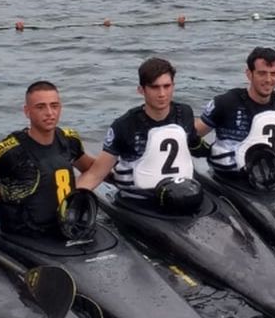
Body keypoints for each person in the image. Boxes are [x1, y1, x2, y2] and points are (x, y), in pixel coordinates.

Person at [0, 80, 98, 240]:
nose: (50, 113)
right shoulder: (8, 151)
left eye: (54, 106)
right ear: (27, 111)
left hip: (65, 228)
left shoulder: (69, 140)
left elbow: (93, 170)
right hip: (24, 235)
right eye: (41, 107)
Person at [75, 57, 208, 209]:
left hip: (180, 197)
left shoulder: (185, 113)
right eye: (155, 87)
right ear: (141, 90)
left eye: (167, 86)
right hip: (137, 201)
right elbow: (95, 174)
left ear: (173, 86)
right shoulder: (124, 125)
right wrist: (71, 201)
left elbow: (193, 144)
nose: (162, 93)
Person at [194, 47, 275, 180]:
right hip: (230, 177)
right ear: (249, 74)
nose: (268, 79)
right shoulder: (226, 102)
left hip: (270, 175)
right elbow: (193, 133)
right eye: (262, 73)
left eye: (273, 73)